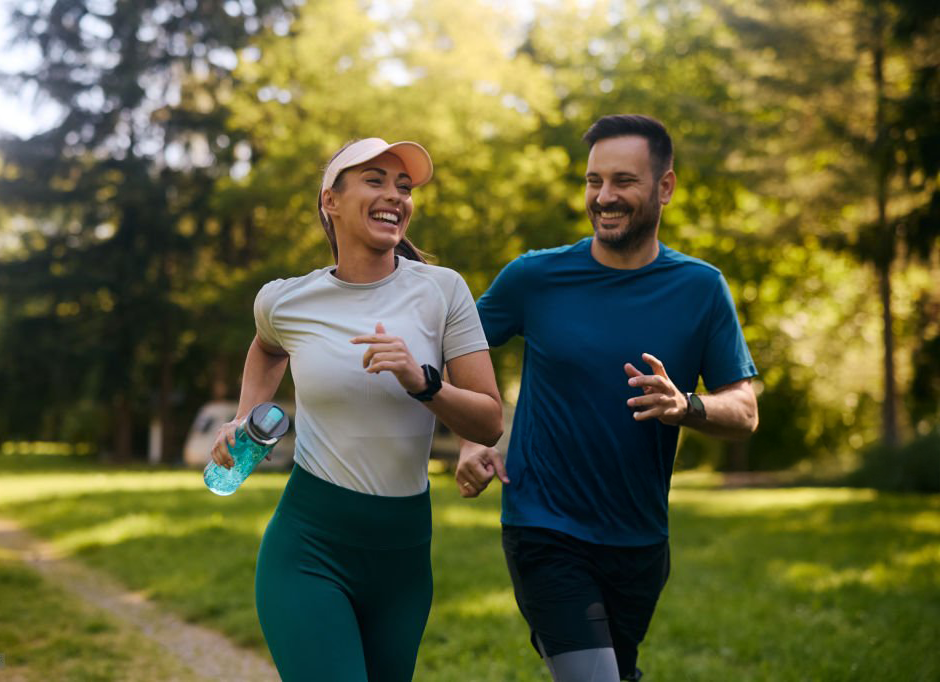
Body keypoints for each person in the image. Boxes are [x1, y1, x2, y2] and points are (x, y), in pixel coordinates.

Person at [456, 114, 759, 682]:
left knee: (617, 674)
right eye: (594, 181)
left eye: (624, 181)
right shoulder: (535, 277)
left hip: (639, 539)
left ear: (665, 187)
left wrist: (684, 406)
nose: (605, 197)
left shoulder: (700, 288)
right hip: (544, 526)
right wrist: (474, 434)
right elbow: (456, 346)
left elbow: (743, 411)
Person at [210, 137, 503, 682]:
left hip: (403, 556)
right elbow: (267, 346)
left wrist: (423, 381)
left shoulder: (443, 292)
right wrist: (245, 414)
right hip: (309, 547)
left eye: (404, 186)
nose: (395, 195)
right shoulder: (285, 300)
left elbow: (488, 419)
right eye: (375, 180)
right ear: (331, 201)